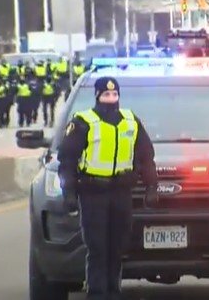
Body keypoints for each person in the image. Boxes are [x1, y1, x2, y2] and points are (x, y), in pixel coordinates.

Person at [57, 77, 159, 300]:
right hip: (93, 192)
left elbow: (146, 156)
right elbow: (67, 160)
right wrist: (70, 193)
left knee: (118, 245)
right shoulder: (83, 122)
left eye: (114, 95)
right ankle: (97, 293)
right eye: (106, 95)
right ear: (97, 96)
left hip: (121, 192)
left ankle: (114, 291)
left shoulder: (131, 121)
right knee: (97, 247)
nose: (111, 99)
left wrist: (152, 186)